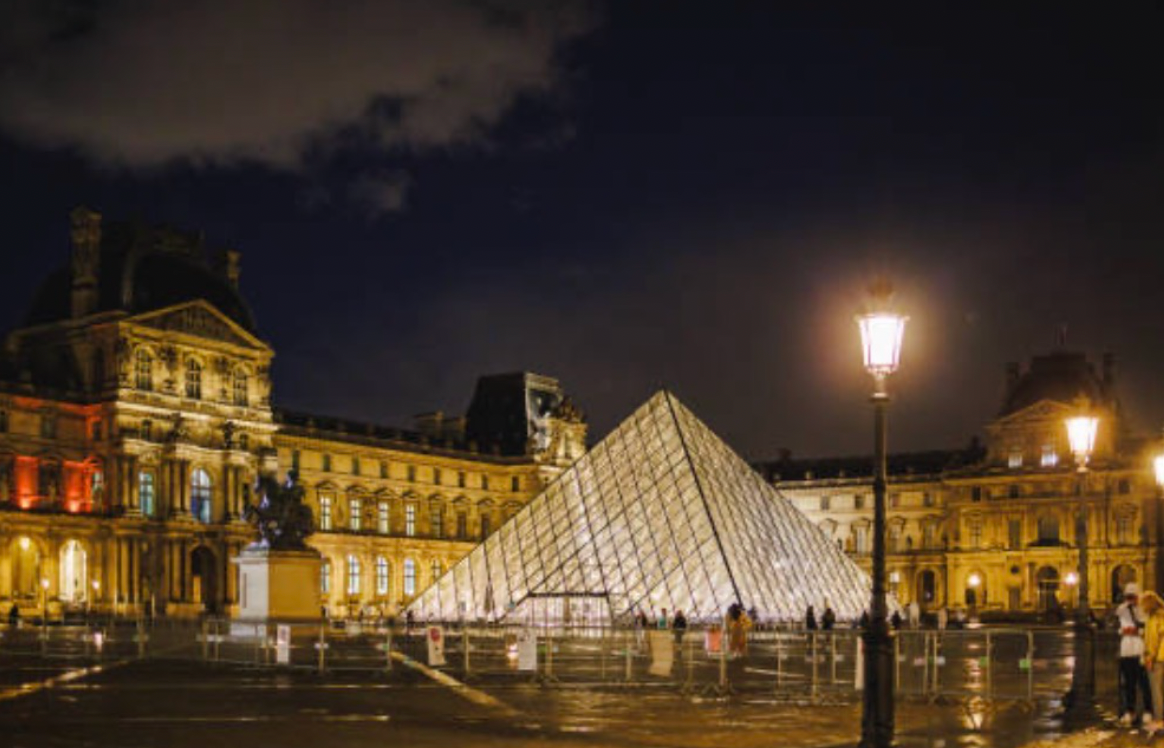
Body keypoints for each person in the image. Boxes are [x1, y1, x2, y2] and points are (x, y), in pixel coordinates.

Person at [1116, 582, 1152, 726]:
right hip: (1126, 650)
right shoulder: (1122, 609)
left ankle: (1148, 711)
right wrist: (1123, 631)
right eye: (1128, 597)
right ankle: (1130, 711)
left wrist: (1138, 631)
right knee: (1128, 684)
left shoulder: (1145, 609)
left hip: (1141, 650)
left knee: (1145, 684)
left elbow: (1148, 628)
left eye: (1133, 596)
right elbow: (1119, 627)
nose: (1131, 600)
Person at [1142, 591, 1164, 734]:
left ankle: (1159, 722)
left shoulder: (1154, 617)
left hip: (1158, 659)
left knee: (1156, 691)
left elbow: (1154, 640)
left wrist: (1149, 657)